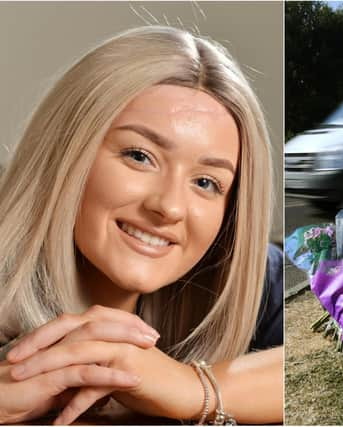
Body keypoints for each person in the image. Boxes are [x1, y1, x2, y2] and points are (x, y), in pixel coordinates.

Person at [0, 26, 283, 425]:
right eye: (139, 156)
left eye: (206, 183)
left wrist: (194, 388)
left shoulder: (254, 283)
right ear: (66, 151)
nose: (168, 207)